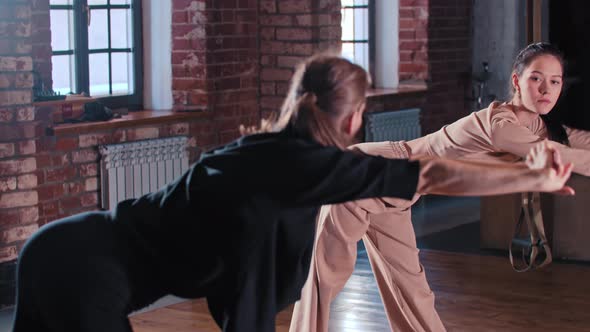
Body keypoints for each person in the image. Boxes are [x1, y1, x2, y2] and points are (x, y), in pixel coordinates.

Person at [12, 54, 572, 332]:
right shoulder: (308, 169)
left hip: (59, 246)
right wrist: (531, 178)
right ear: (353, 119)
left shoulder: (265, 149)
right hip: (91, 277)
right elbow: (431, 175)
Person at [289, 42, 590, 332]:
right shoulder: (501, 124)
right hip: (374, 168)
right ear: (516, 80)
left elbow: (577, 141)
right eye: (536, 78)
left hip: (402, 188)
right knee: (326, 271)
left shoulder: (539, 127)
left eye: (555, 81)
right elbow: (556, 156)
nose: (545, 89)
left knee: (411, 288)